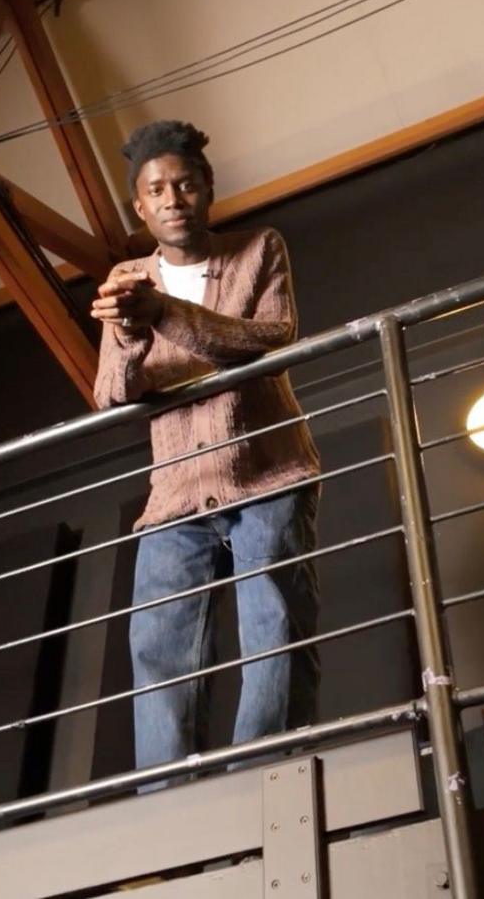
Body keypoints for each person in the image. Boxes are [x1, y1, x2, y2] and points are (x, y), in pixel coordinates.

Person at [90, 119, 323, 773]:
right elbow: (111, 392)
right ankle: (170, 808)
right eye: (156, 190)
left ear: (207, 188)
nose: (172, 199)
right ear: (140, 206)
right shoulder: (126, 278)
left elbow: (271, 339)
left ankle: (264, 780)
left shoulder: (257, 249)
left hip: (268, 473)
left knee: (275, 629)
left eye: (185, 184)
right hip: (176, 494)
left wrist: (163, 316)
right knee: (158, 646)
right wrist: (132, 334)